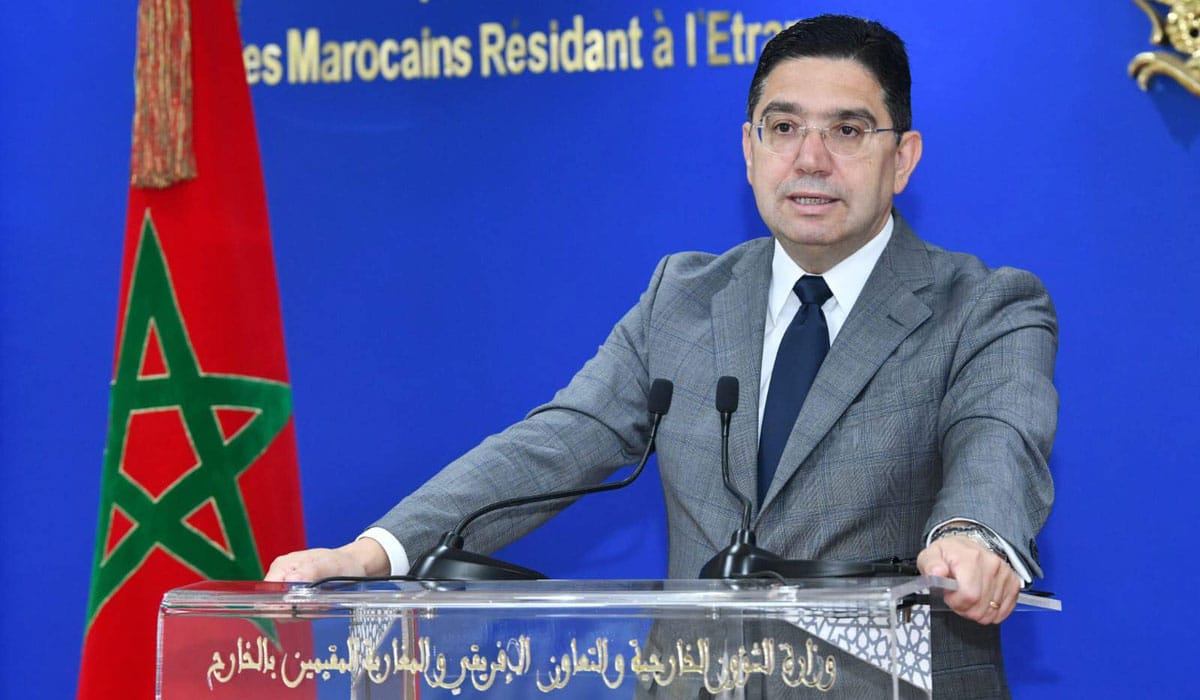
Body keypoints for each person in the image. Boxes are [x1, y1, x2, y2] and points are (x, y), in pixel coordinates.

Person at [267, 14, 1056, 697]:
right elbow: (558, 441)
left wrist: (973, 536)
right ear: (749, 149)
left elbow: (999, 441)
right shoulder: (683, 297)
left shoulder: (984, 306)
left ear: (903, 158)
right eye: (783, 128)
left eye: (847, 131)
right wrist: (377, 551)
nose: (811, 158)